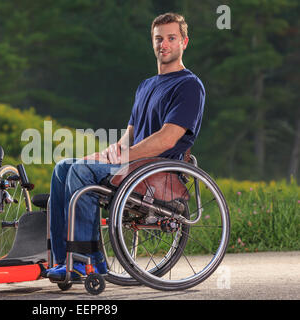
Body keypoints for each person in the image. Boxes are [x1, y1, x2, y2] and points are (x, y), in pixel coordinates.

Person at [46, 12, 206, 280]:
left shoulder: (189, 85)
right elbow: (130, 134)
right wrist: (107, 154)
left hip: (156, 173)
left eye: (171, 38)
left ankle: (88, 262)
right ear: (152, 42)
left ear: (184, 42)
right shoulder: (146, 85)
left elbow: (168, 138)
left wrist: (122, 159)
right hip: (132, 165)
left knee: (81, 173)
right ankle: (63, 258)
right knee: (65, 167)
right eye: (158, 39)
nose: (163, 44)